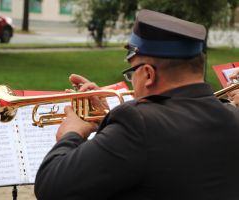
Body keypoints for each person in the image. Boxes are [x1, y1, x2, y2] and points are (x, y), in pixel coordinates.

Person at [34, 9, 239, 200]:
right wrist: (108, 122)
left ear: (148, 74)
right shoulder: (232, 115)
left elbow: (51, 188)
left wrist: (71, 134)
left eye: (132, 73)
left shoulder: (135, 124)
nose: (133, 80)